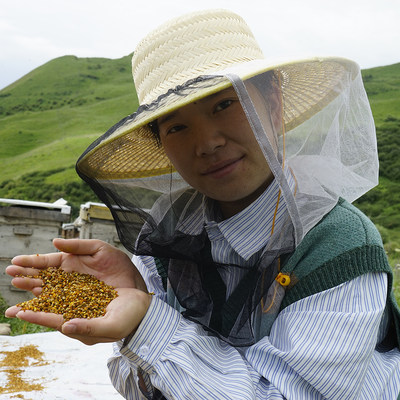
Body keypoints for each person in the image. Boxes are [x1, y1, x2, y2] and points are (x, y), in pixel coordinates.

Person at [5, 8, 400, 399]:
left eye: (225, 105)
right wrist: (131, 296)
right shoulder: (172, 228)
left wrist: (147, 324)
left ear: (274, 105)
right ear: (162, 146)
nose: (207, 142)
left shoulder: (338, 245)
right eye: (176, 126)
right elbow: (130, 377)